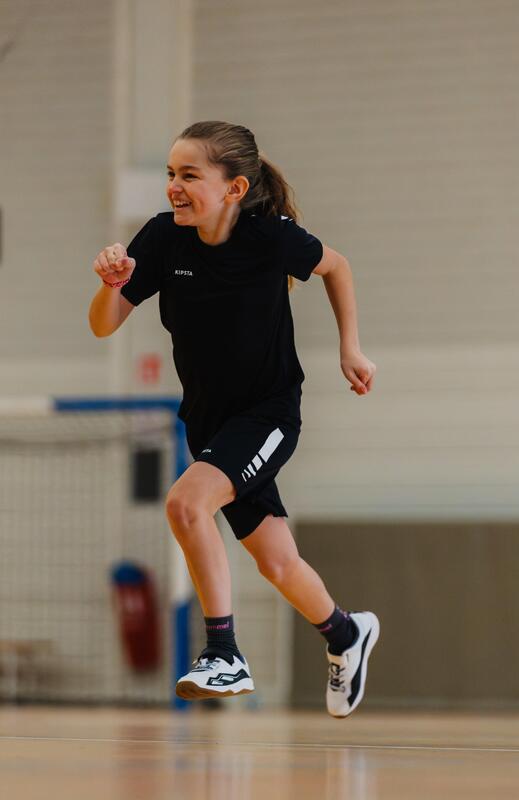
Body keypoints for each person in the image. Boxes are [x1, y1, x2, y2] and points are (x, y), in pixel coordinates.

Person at [88, 121, 379, 718]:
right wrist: (111, 285)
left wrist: (351, 347)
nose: (174, 186)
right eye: (171, 173)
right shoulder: (162, 240)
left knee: (185, 504)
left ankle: (223, 651)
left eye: (189, 175)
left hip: (268, 414)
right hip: (209, 423)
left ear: (234, 187)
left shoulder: (270, 237)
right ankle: (347, 634)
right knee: (277, 562)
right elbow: (102, 323)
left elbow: (338, 266)